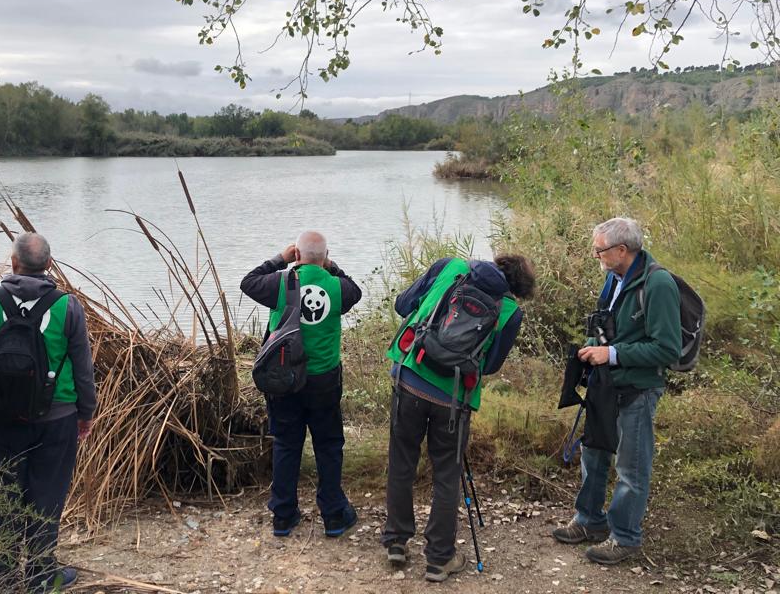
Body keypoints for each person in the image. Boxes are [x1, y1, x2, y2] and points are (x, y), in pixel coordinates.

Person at [382, 253, 536, 583]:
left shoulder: (450, 267)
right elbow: (490, 365)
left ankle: (396, 541)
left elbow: (402, 304)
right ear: (517, 289)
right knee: (447, 474)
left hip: (410, 374)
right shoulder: (510, 311)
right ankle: (439, 559)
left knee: (402, 461)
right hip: (454, 398)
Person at [0, 232, 96, 592]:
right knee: (47, 493)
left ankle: (3, 573)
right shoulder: (68, 307)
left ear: (13, 263)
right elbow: (83, 369)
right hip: (56, 418)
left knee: (1, 493)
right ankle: (41, 574)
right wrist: (86, 412)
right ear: (49, 265)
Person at [552, 217, 680, 565]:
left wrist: (611, 354)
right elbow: (607, 326)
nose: (595, 255)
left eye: (599, 250)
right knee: (593, 453)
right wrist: (592, 347)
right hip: (605, 384)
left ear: (622, 250)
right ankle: (589, 521)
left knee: (630, 467)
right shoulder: (613, 277)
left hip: (638, 389)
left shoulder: (658, 284)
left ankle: (625, 537)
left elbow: (668, 349)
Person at [240, 231, 362, 538]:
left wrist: (279, 260)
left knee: (286, 444)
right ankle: (333, 515)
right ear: (325, 257)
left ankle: (283, 516)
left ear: (296, 255)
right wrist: (330, 266)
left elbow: (248, 282)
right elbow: (355, 290)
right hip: (324, 382)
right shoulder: (337, 287)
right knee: (329, 446)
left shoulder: (279, 283)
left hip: (284, 380)